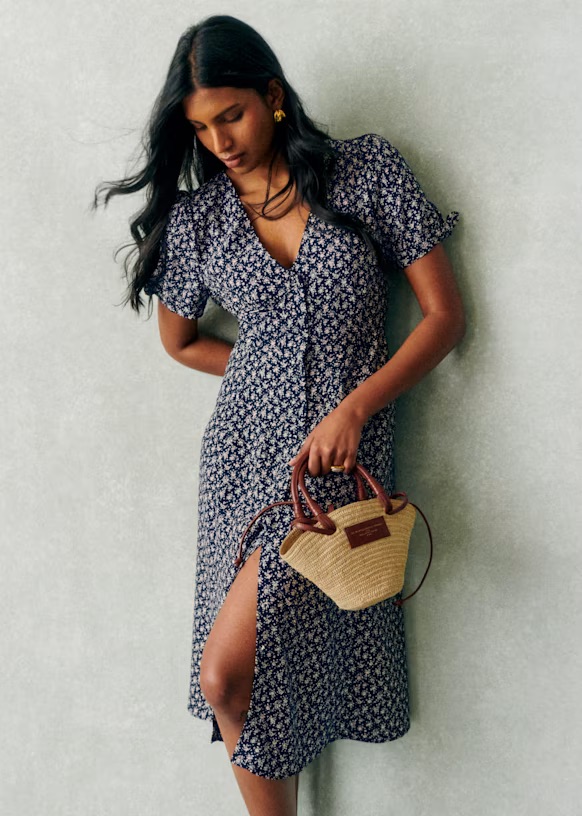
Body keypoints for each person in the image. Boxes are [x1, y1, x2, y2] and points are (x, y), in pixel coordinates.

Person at [93, 13, 465, 816]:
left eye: (231, 114)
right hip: (241, 458)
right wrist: (266, 373)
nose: (220, 140)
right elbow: (180, 341)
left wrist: (351, 403)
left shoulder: (365, 174)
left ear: (272, 95)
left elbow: (443, 318)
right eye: (201, 128)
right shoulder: (200, 223)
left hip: (333, 461)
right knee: (236, 678)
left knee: (232, 672)